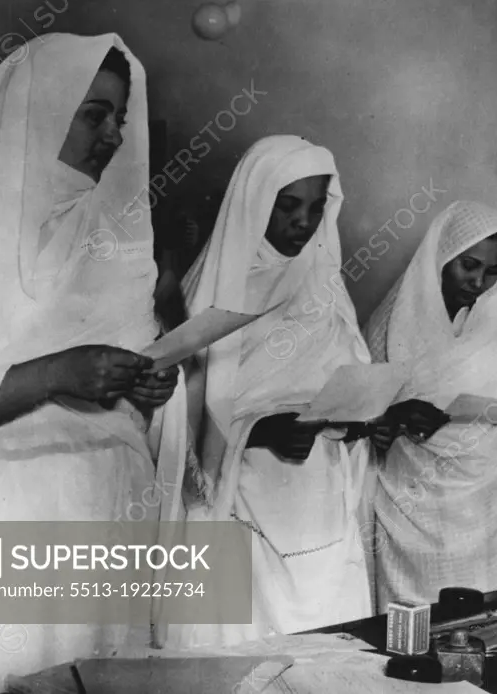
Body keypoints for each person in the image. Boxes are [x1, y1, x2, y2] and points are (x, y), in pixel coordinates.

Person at [0, 34, 185, 693]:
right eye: (92, 114)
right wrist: (50, 377)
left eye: (119, 120)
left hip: (102, 517)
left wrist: (150, 386)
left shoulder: (116, 241)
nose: (110, 136)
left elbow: (135, 372)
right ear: (37, 110)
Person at [166, 136, 383, 645]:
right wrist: (261, 430)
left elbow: (351, 379)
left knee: (330, 645)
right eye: (287, 207)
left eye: (315, 207)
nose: (303, 223)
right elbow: (183, 423)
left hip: (319, 496)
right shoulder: (213, 293)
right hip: (245, 497)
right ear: (255, 203)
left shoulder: (325, 287)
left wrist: (356, 417)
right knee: (255, 652)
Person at [363, 200, 497, 611]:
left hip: (489, 504)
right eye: (469, 265)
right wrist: (394, 417)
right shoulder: (391, 323)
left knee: (490, 618)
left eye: (492, 271)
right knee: (414, 626)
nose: (479, 281)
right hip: (410, 502)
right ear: (442, 254)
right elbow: (361, 418)